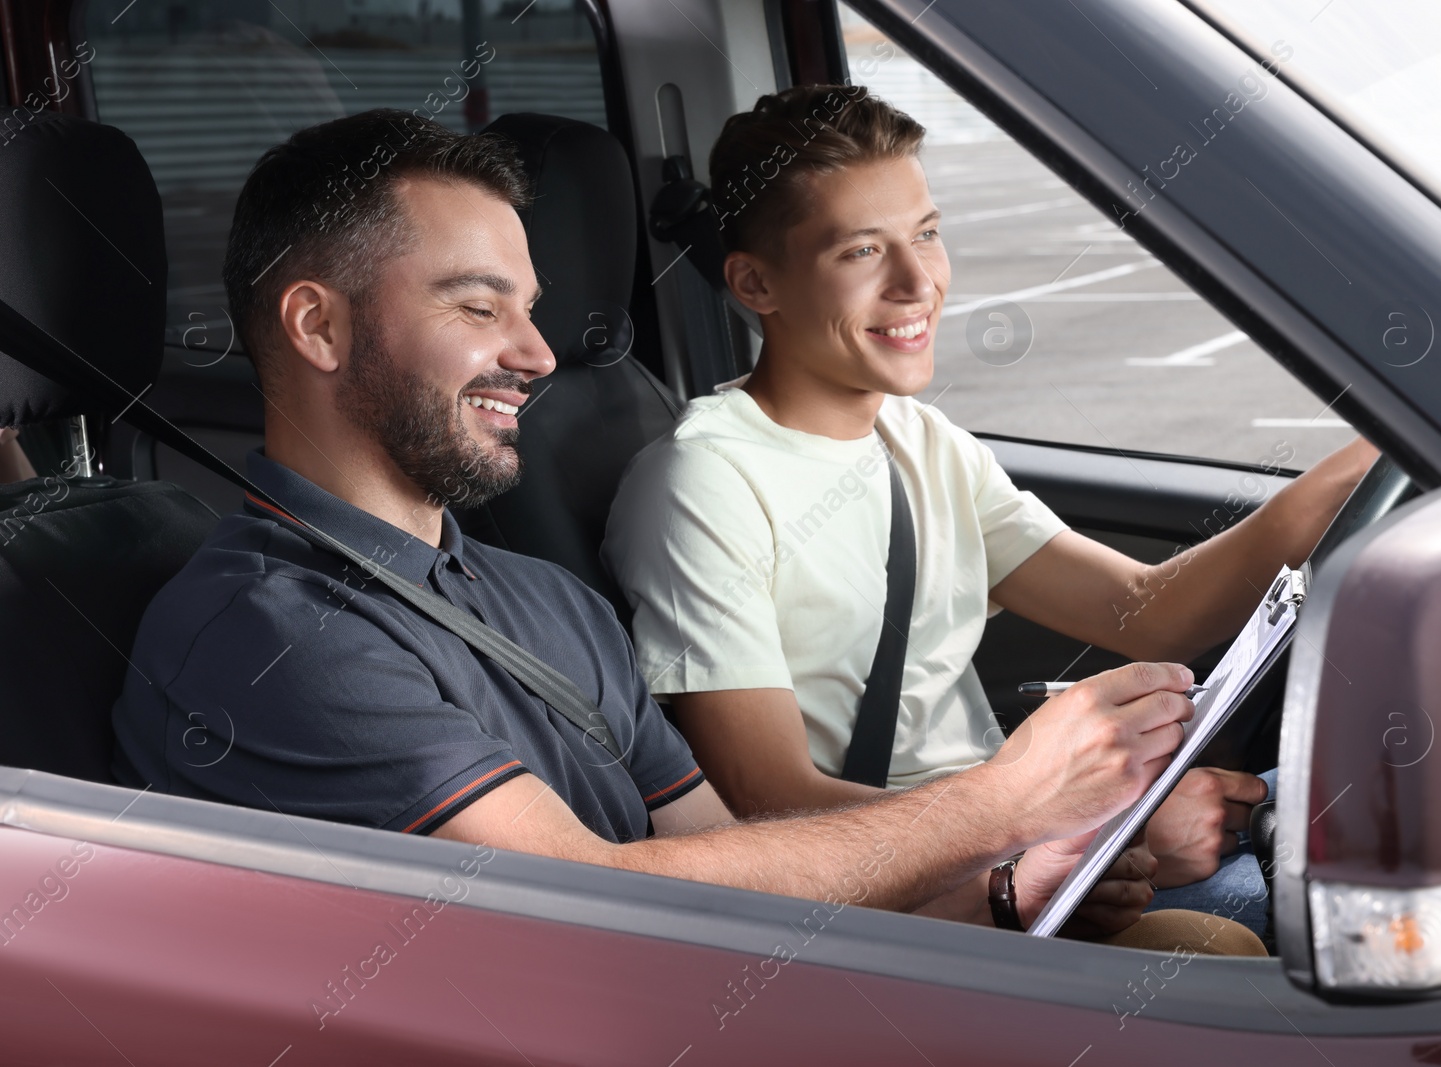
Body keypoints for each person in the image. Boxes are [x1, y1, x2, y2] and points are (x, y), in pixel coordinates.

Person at [108, 109, 1262, 955]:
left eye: (532, 306)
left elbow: (729, 869)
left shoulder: (533, 595)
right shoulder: (270, 632)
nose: (537, 351)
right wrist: (1002, 804)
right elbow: (589, 903)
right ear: (316, 324)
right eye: (477, 305)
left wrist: (1009, 889)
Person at [602, 86, 1380, 935]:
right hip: (900, 906)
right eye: (864, 251)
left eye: (927, 234)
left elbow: (1145, 612)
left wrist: (1360, 466)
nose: (918, 282)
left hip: (1010, 850)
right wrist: (1066, 832)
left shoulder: (920, 439)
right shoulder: (702, 484)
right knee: (1232, 943)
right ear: (757, 282)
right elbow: (767, 801)